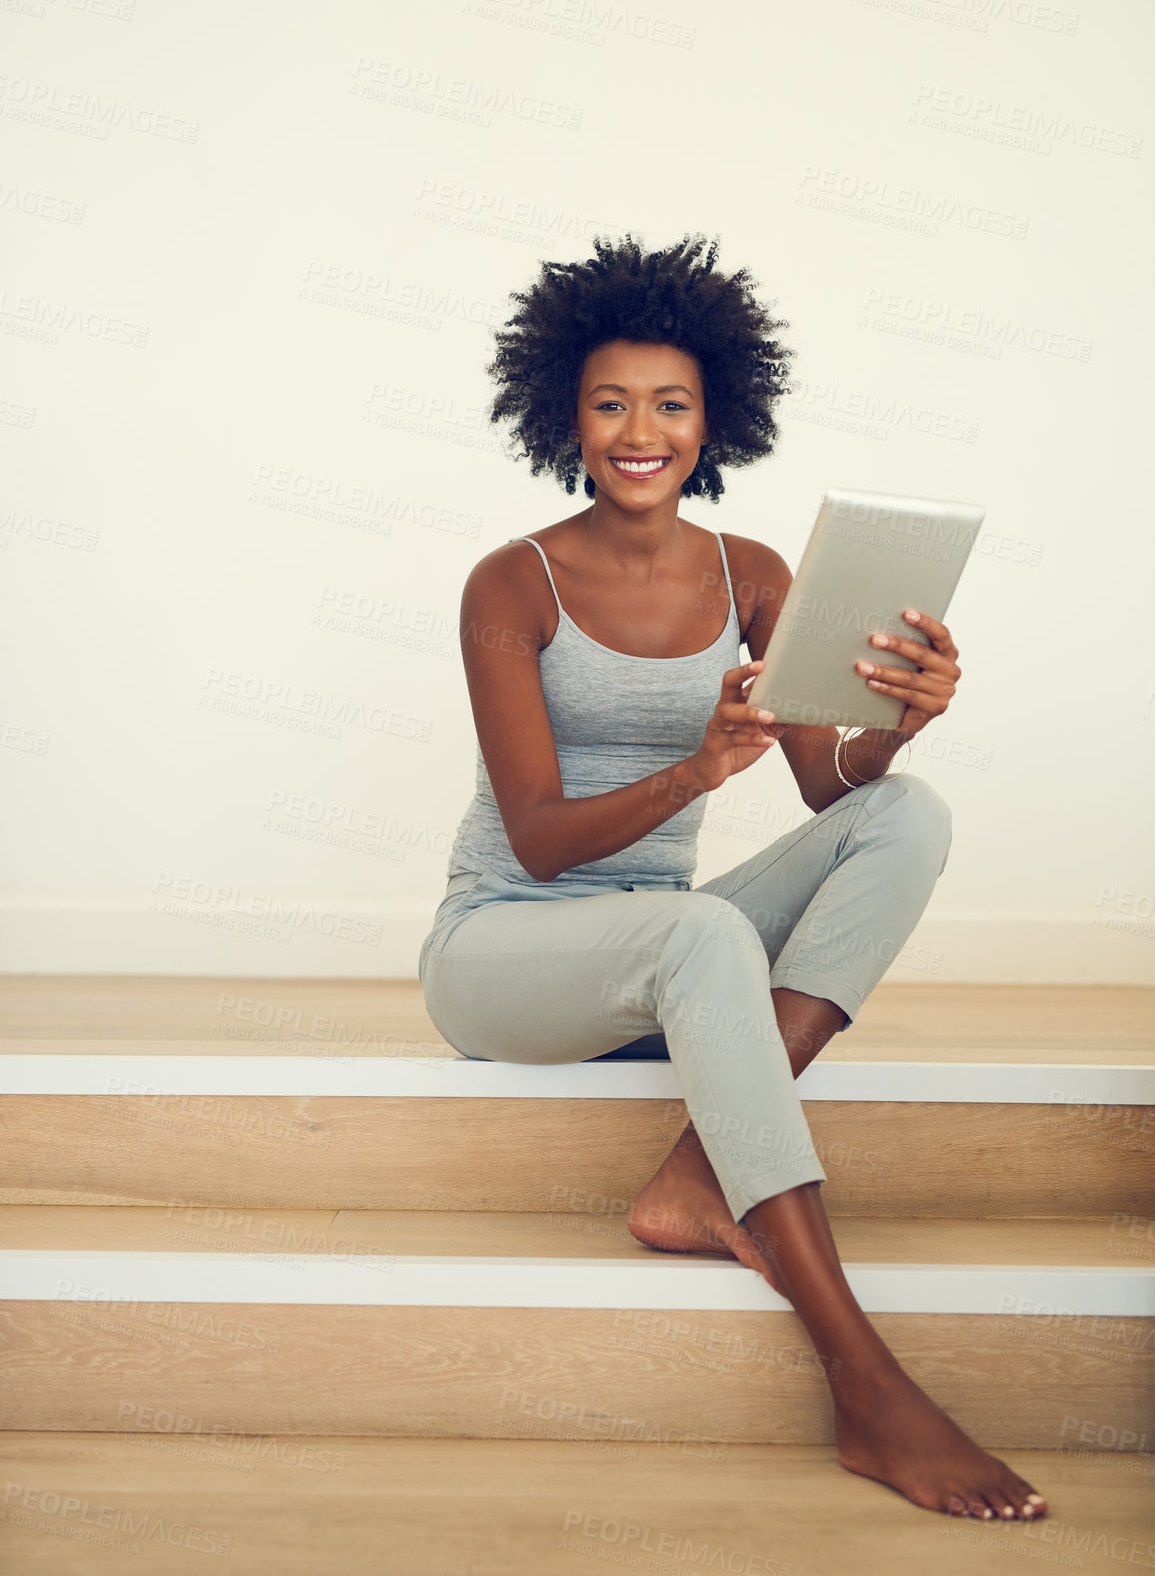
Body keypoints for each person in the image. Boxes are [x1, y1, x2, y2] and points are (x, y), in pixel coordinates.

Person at [418, 234, 1046, 1521]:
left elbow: (833, 789)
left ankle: (698, 1170)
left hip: (662, 950)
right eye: (609, 403)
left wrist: (902, 721)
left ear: (714, 420)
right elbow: (536, 837)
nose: (638, 430)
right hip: (504, 954)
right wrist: (698, 774)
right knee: (699, 931)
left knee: (907, 817)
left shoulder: (753, 575)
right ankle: (864, 1379)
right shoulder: (510, 582)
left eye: (669, 404)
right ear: (565, 418)